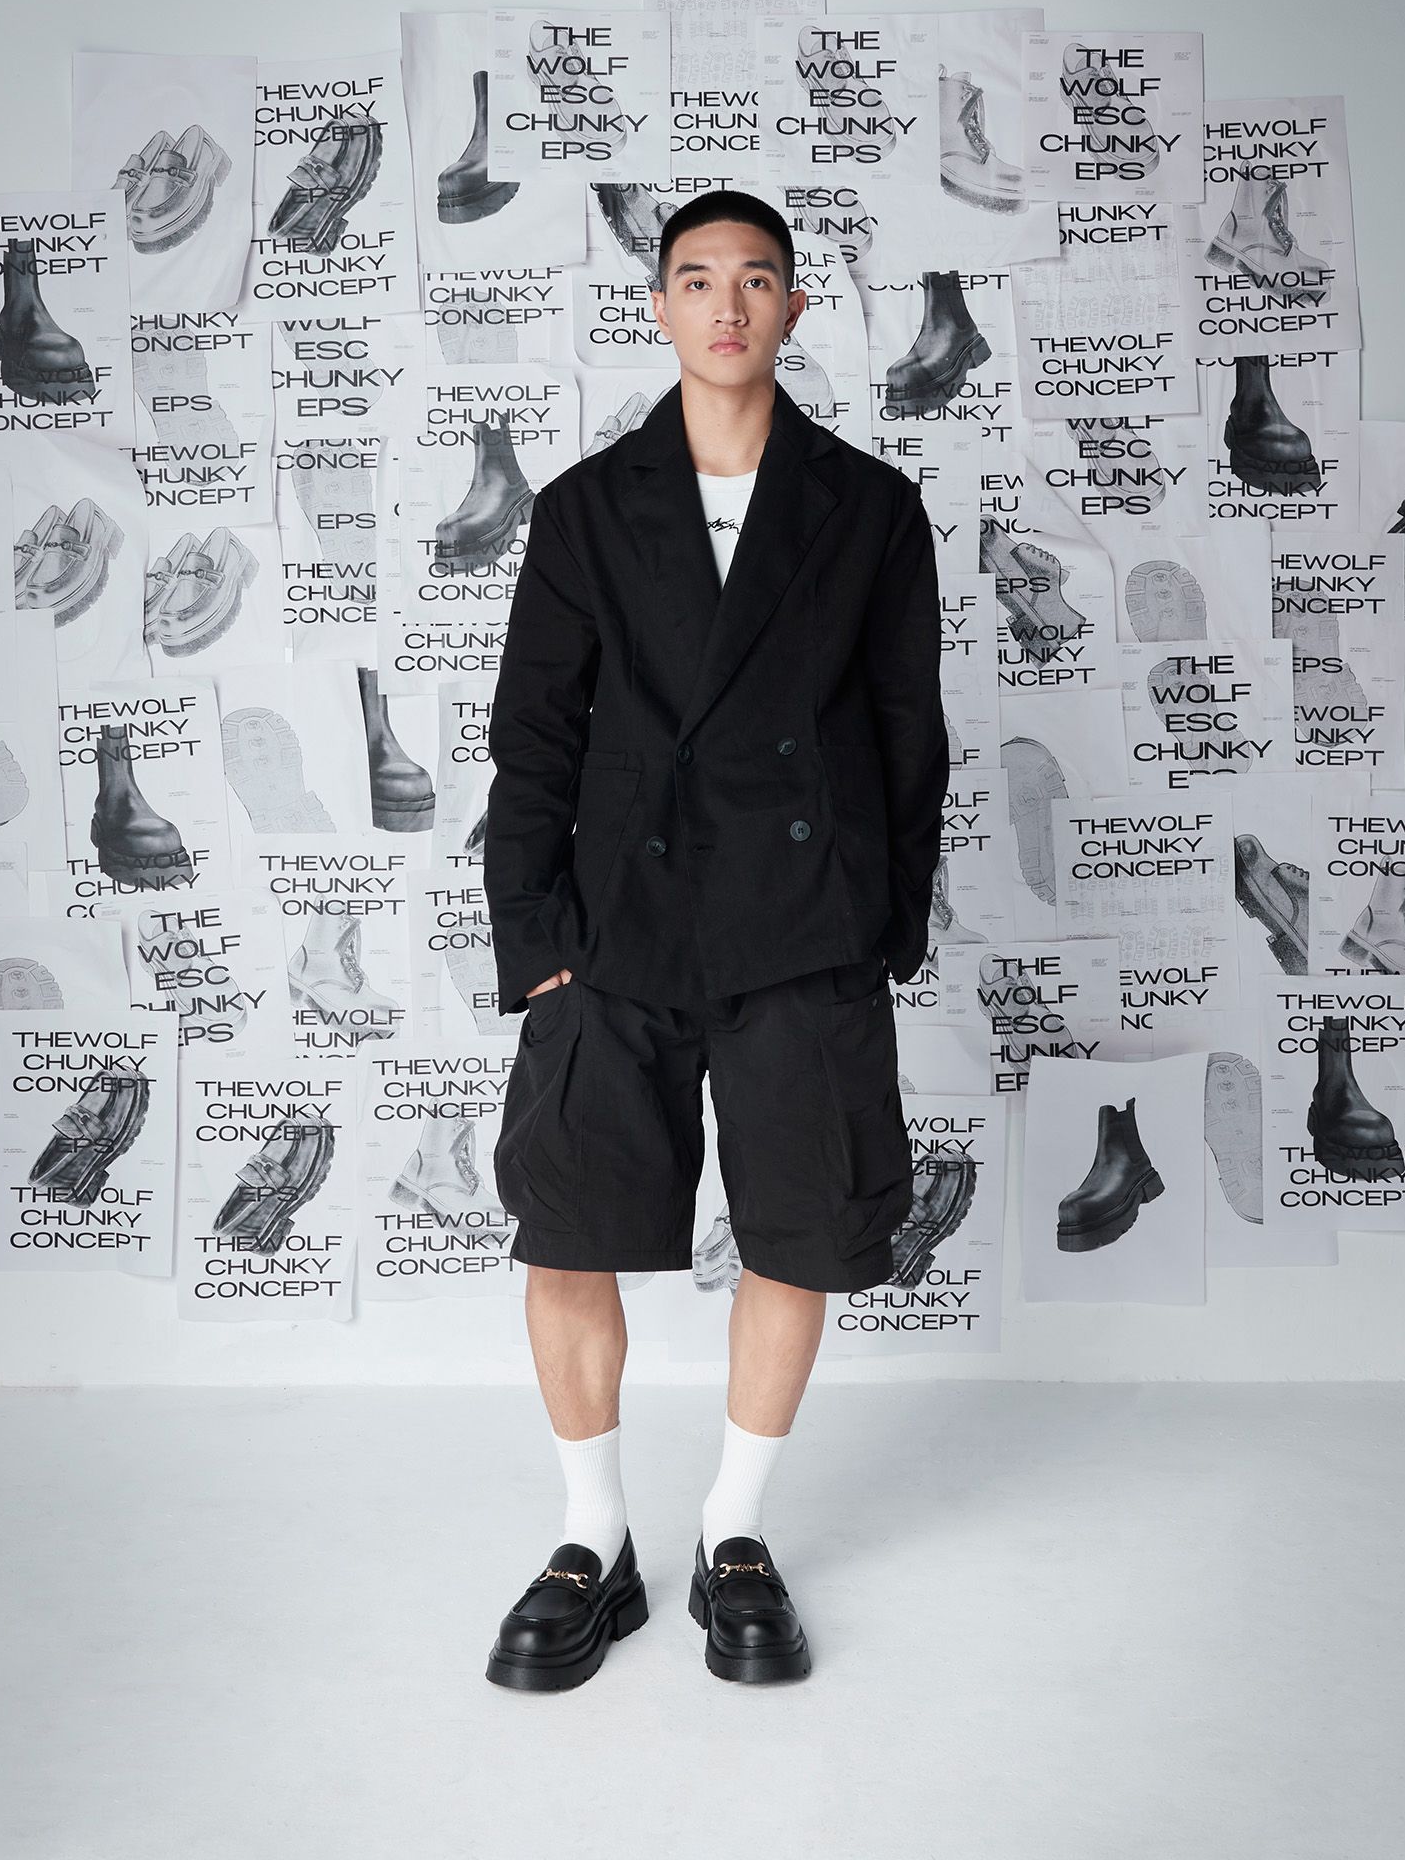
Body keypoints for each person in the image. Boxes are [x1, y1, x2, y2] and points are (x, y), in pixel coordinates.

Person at [479, 188, 950, 1690]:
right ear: (661, 309)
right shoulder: (582, 508)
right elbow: (533, 739)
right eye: (696, 279)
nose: (727, 304)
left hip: (802, 928)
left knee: (800, 1225)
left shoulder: (868, 509)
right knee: (567, 1226)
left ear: (794, 308)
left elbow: (907, 735)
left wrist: (882, 930)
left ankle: (734, 1532)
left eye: (756, 279)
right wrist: (536, 941)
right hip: (615, 928)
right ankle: (593, 1538)